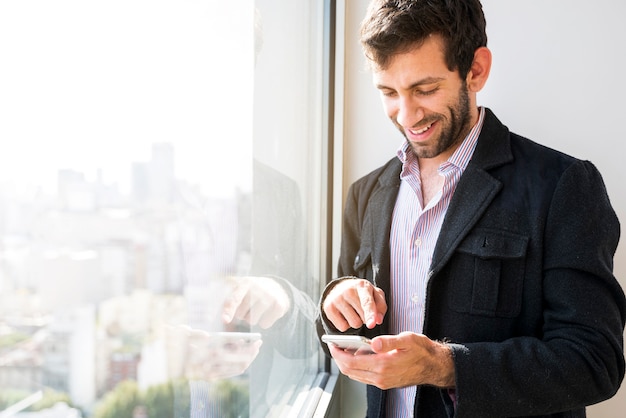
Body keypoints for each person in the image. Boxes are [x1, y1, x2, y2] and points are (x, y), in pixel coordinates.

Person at [316, 1, 626, 417]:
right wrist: (338, 302)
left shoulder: (564, 186)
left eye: (424, 89)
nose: (406, 115)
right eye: (388, 92)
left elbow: (594, 362)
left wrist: (445, 367)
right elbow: (350, 323)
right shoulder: (366, 193)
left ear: (476, 70)